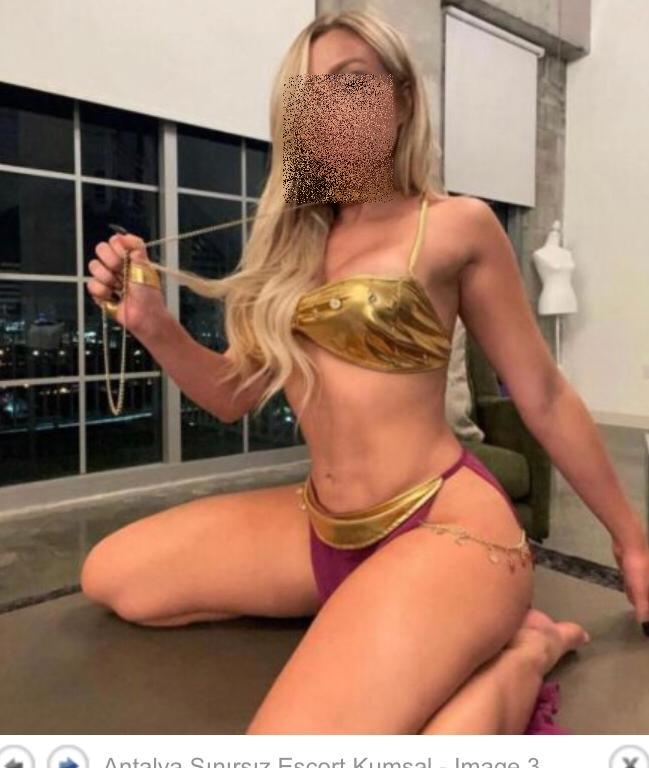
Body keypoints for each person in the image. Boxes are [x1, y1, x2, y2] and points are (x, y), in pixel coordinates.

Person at [80, 8, 649, 735]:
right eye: (311, 94)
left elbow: (541, 393)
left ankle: (525, 653)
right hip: (322, 524)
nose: (330, 109)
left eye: (352, 83)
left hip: (445, 526)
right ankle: (389, 613)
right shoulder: (288, 249)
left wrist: (630, 539)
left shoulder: (454, 225)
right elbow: (230, 396)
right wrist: (154, 326)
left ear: (401, 98)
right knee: (113, 577)